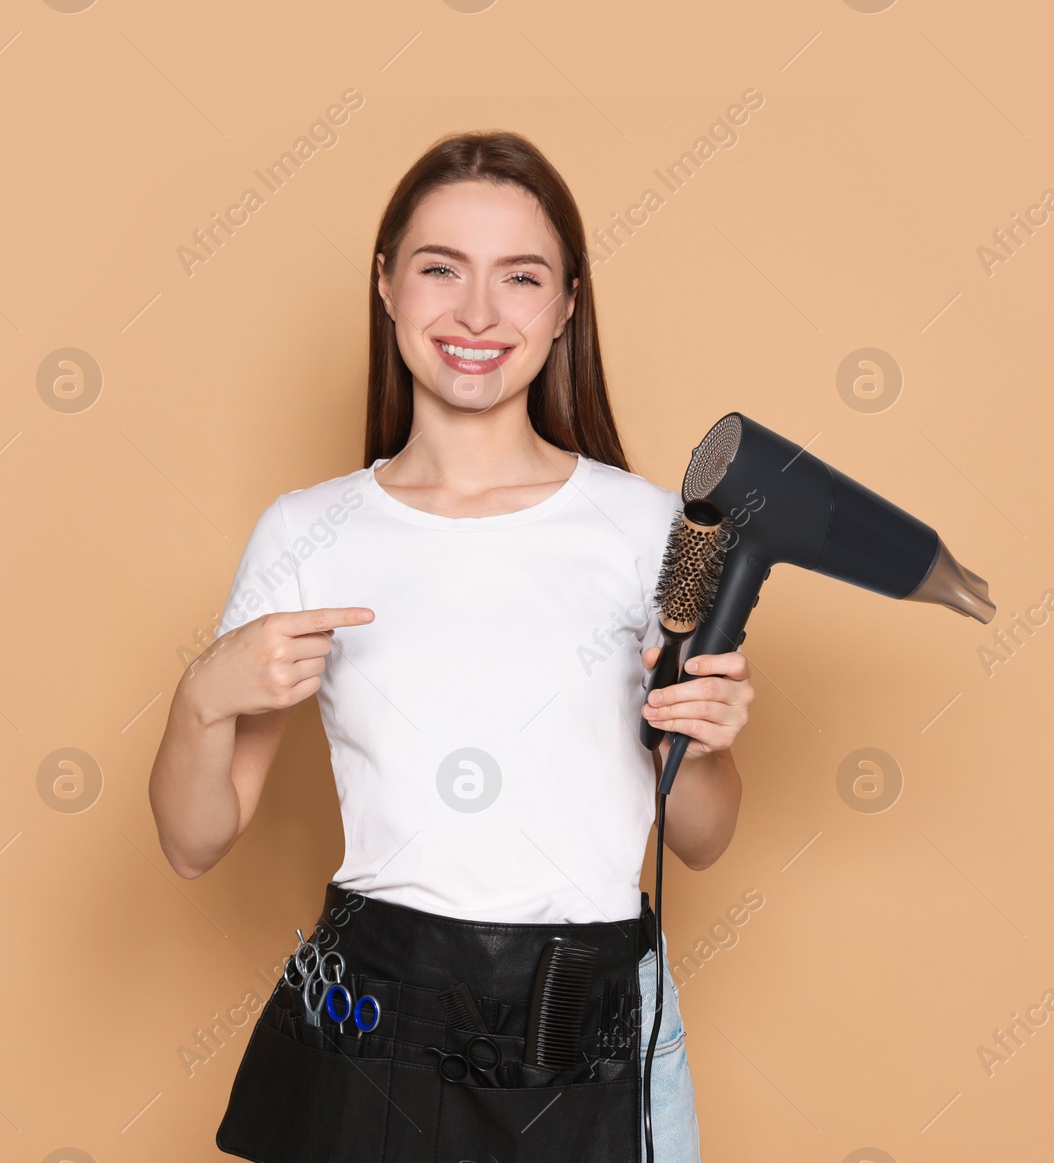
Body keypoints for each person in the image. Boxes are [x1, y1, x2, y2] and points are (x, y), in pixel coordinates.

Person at [147, 130, 751, 1163]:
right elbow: (193, 840)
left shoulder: (658, 532)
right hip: (377, 1012)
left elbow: (701, 834)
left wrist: (692, 731)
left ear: (566, 305)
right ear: (386, 285)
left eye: (520, 277)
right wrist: (201, 696)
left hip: (595, 1018)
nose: (478, 313)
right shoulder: (308, 531)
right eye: (441, 269)